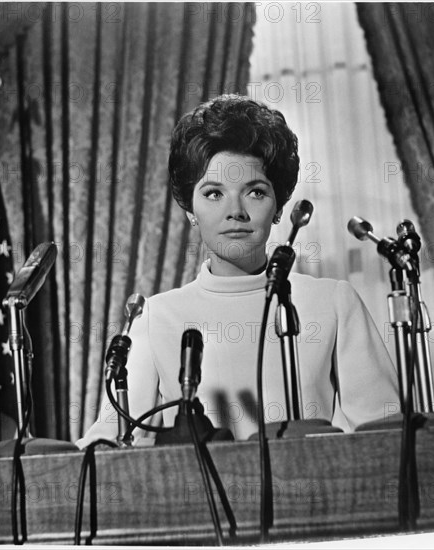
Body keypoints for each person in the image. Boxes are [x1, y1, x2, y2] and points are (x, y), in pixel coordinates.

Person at [76, 95, 399, 449]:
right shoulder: (156, 317)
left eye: (255, 192)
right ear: (190, 209)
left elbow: (386, 437)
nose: (235, 212)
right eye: (214, 194)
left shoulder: (333, 301)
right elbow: (107, 445)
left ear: (278, 207)